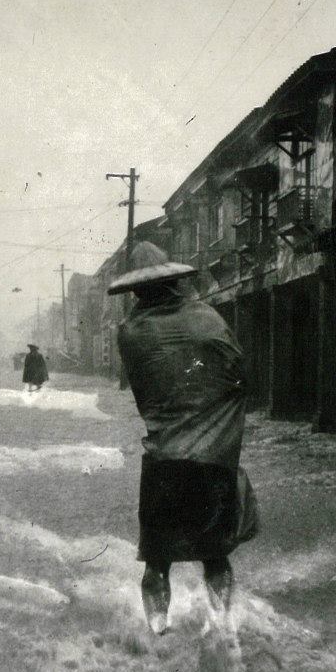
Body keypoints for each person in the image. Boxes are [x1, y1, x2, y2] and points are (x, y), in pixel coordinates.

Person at [110, 242, 257, 637]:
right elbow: (238, 374)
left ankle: (157, 632)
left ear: (136, 292)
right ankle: (223, 627)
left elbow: (148, 390)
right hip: (211, 459)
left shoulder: (130, 333)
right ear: (175, 281)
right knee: (215, 556)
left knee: (156, 561)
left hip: (165, 461)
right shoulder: (207, 318)